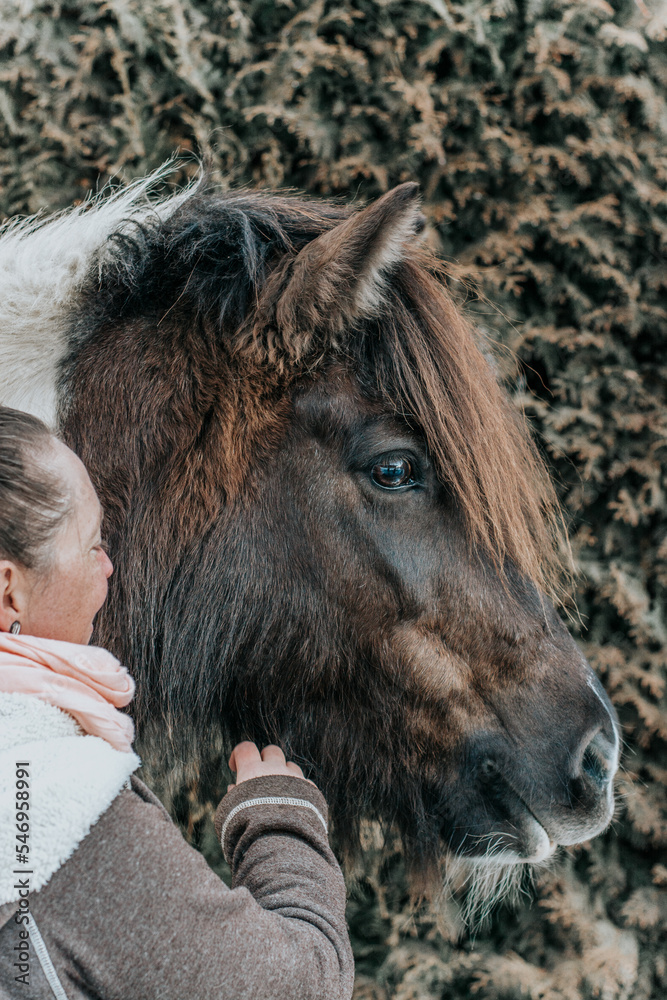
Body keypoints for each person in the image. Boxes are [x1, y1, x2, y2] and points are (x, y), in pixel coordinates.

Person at [0, 405, 354, 999]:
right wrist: (279, 825)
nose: (110, 568)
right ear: (8, 593)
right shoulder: (53, 812)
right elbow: (302, 989)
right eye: (91, 546)